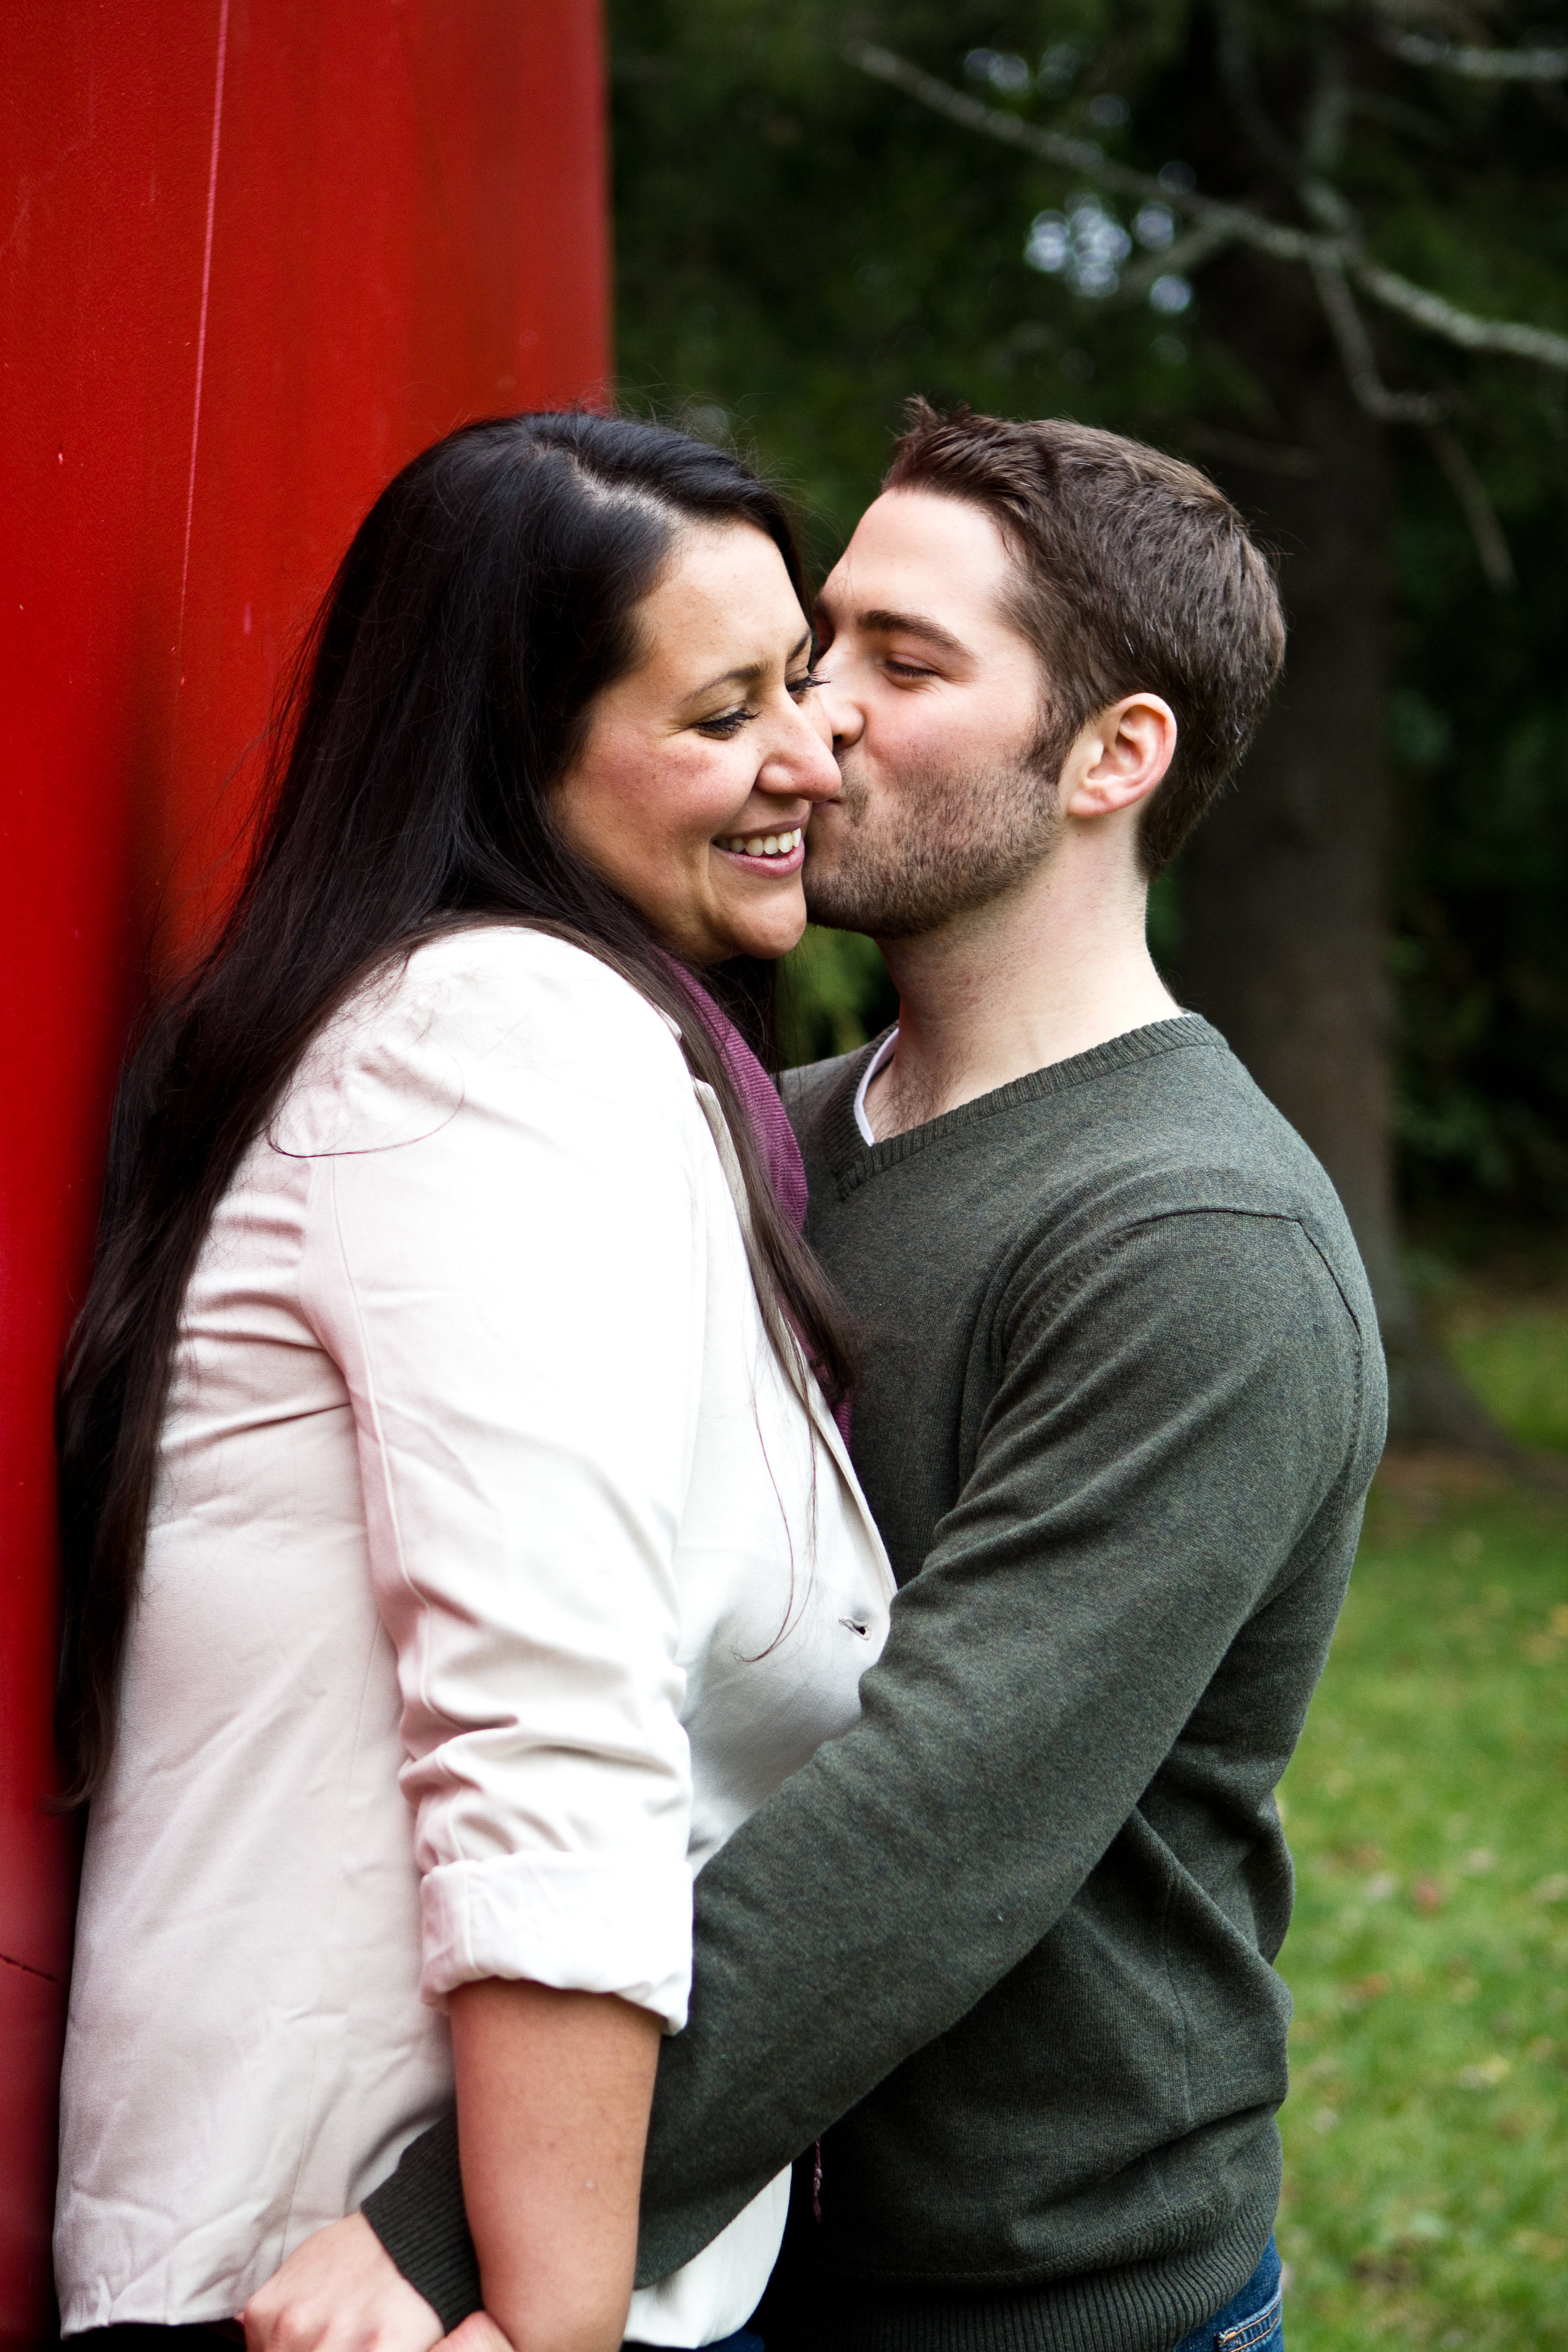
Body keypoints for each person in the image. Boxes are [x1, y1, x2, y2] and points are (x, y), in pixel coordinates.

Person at [253, 405, 1387, 2352]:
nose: (815, 713)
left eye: (902, 663)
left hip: (1036, 2308)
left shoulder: (1198, 1245)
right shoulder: (756, 1137)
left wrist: (458, 2233)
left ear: (1113, 756)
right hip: (721, 2264)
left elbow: (925, 1833)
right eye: (812, 647)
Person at [51, 411, 899, 2352]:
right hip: (386, 2290)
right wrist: (551, 2317)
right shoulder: (505, 1045)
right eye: (719, 716)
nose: (808, 755)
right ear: (510, 757)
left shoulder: (595, 1049)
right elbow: (545, 1726)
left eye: (803, 684)